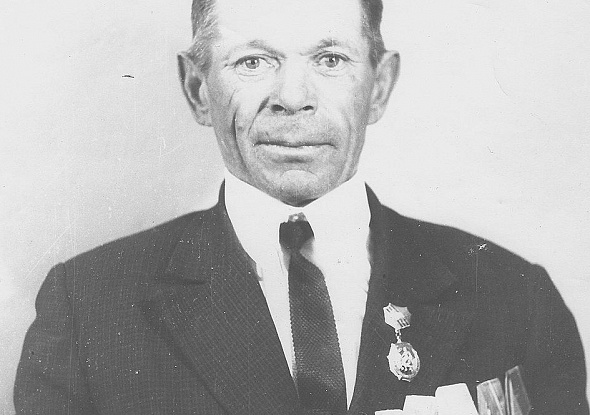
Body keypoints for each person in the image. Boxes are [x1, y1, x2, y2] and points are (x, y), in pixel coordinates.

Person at [14, 0, 588, 413]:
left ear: (379, 86)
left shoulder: (513, 296)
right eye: (253, 61)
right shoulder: (88, 309)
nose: (293, 98)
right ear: (197, 89)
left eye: (331, 59)